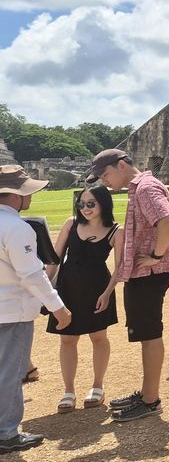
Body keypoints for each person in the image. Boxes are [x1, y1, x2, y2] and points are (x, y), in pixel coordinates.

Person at [86, 149, 169, 422]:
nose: (105, 181)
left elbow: (166, 220)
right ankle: (147, 393)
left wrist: (157, 256)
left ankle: (151, 400)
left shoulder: (145, 187)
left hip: (150, 271)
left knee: (149, 333)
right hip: (145, 271)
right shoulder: (141, 188)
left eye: (106, 174)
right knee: (145, 332)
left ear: (121, 165)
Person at [1, 165, 71, 453]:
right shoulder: (17, 228)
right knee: (10, 372)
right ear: (16, 196)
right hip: (12, 310)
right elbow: (32, 274)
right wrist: (57, 306)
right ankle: (6, 434)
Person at [45, 186, 123, 413]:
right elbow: (54, 258)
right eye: (81, 204)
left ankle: (98, 385)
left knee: (98, 337)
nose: (85, 208)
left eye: (91, 204)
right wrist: (45, 289)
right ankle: (68, 391)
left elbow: (120, 267)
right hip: (68, 287)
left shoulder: (116, 231)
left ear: (103, 204)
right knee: (67, 339)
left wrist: (107, 293)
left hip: (98, 288)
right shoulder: (71, 224)